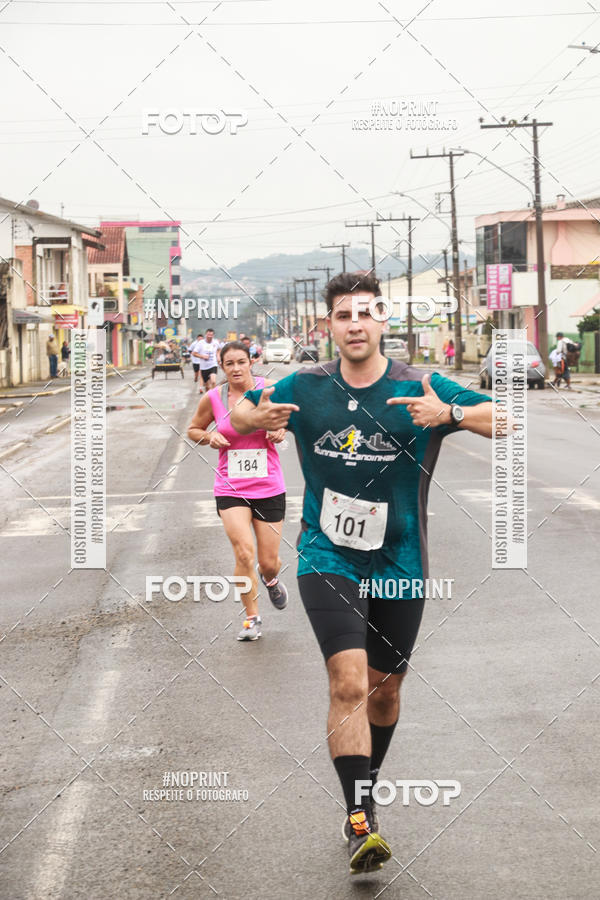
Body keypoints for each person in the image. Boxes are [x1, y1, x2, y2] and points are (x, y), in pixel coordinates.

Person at [231, 271, 495, 875]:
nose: (355, 323)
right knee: (347, 684)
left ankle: (367, 786)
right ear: (329, 325)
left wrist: (447, 411)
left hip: (401, 560)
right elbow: (243, 411)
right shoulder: (307, 384)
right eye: (343, 314)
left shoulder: (422, 384)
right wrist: (258, 418)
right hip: (327, 556)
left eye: (366, 314)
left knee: (385, 690)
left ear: (383, 322)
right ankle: (359, 821)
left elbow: (508, 420)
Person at [187, 340, 288, 641]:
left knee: (268, 562)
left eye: (241, 362)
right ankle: (252, 619)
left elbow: (296, 415)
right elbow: (193, 429)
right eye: (229, 364)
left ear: (251, 362)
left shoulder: (270, 389)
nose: (235, 368)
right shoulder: (213, 398)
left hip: (269, 485)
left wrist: (283, 427)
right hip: (230, 487)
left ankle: (269, 579)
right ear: (222, 366)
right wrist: (209, 437)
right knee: (244, 553)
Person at [196, 328, 219, 393]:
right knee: (207, 387)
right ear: (206, 334)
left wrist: (218, 357)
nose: (209, 336)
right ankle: (208, 397)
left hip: (213, 365)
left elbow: (219, 349)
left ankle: (214, 396)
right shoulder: (201, 343)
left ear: (213, 336)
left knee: (213, 381)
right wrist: (202, 356)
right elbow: (194, 353)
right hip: (204, 367)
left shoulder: (216, 342)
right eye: (208, 335)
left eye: (211, 335)